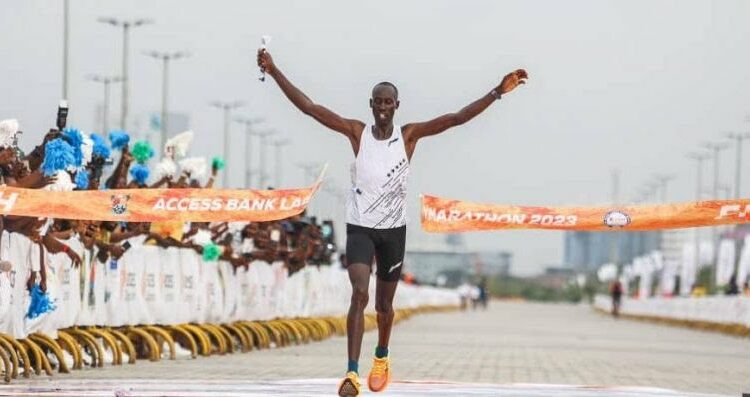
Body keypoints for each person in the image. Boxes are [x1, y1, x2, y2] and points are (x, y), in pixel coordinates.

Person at [258, 48, 527, 397]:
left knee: (384, 306)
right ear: (371, 104)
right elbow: (310, 108)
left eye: (389, 102)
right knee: (359, 294)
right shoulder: (357, 133)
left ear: (397, 106)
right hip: (360, 227)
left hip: (393, 232)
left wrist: (496, 92)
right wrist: (275, 69)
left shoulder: (409, 136)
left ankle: (382, 355)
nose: (383, 107)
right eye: (378, 101)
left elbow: (457, 118)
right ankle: (351, 374)